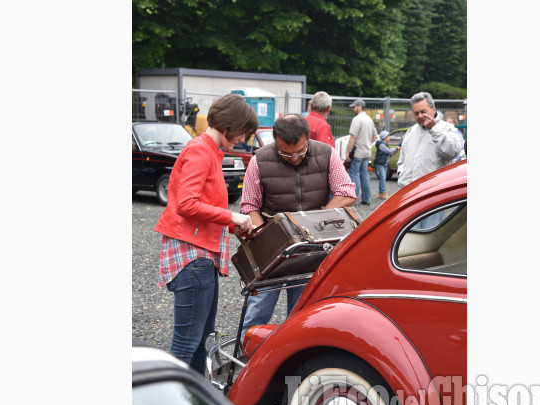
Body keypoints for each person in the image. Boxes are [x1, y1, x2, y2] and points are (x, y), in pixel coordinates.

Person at [154, 94, 259, 375]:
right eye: (241, 133)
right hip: (193, 257)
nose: (241, 139)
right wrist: (231, 216)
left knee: (201, 341)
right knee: (187, 344)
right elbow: (187, 205)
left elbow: (203, 205)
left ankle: (195, 404)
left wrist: (235, 224)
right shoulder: (201, 151)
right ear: (228, 126)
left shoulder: (209, 150)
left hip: (199, 256)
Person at [239, 114, 357, 342]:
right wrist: (265, 239)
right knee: (259, 310)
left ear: (308, 139)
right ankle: (247, 359)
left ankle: (293, 353)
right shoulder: (259, 159)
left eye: (300, 152)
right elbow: (249, 206)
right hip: (273, 247)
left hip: (311, 246)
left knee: (302, 311)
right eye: (286, 153)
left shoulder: (326, 153)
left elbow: (346, 192)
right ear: (275, 142)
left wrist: (316, 222)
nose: (294, 158)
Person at [396, 92, 462, 228]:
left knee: (427, 238)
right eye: (416, 113)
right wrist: (401, 175)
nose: (420, 116)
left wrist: (434, 129)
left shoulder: (447, 128)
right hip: (408, 197)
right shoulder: (411, 132)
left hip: (432, 197)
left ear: (433, 109)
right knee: (409, 237)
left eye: (423, 112)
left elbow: (452, 151)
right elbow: (402, 160)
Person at [345, 99, 378, 205]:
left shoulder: (357, 119)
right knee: (364, 173)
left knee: (354, 174)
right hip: (367, 152)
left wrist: (347, 151)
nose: (353, 109)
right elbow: (375, 136)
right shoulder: (369, 119)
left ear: (359, 106)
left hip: (357, 152)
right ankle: (366, 199)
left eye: (354, 107)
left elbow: (353, 136)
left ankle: (353, 200)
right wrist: (368, 143)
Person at [374, 130, 400, 200]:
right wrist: (396, 148)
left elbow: (389, 154)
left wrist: (395, 152)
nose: (389, 138)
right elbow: (388, 151)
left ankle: (381, 192)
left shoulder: (384, 144)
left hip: (383, 163)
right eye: (388, 136)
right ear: (385, 137)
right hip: (379, 163)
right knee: (382, 177)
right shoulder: (381, 144)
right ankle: (382, 192)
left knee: (383, 178)